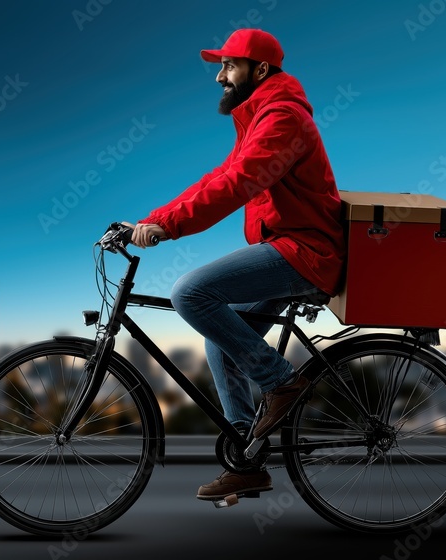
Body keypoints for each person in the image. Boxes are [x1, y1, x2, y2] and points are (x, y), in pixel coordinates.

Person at [122, 28, 347, 501]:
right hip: (288, 247)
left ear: (259, 70)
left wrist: (170, 228)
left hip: (304, 252)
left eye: (228, 66)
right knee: (223, 341)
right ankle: (248, 460)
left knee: (191, 294)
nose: (220, 76)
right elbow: (220, 176)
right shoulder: (259, 116)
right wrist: (153, 220)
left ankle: (282, 383)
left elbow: (239, 184)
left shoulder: (282, 118)